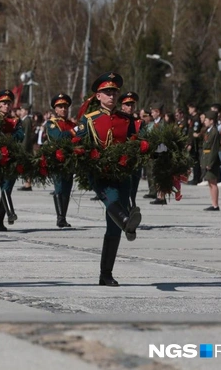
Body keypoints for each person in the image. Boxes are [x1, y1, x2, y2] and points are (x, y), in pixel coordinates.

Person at [76, 72, 141, 287]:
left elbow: (135, 142)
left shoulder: (127, 120)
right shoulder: (89, 119)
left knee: (112, 229)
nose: (111, 96)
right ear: (98, 96)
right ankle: (127, 223)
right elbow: (77, 142)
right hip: (100, 173)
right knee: (111, 201)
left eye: (114, 92)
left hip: (123, 174)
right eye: (107, 92)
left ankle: (106, 274)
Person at [45, 93, 77, 228]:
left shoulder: (72, 124)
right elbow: (58, 137)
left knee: (67, 189)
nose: (63, 109)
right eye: (60, 107)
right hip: (57, 160)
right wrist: (72, 133)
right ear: (55, 110)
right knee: (59, 188)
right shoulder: (52, 124)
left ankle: (63, 217)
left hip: (69, 160)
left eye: (65, 106)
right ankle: (60, 218)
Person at [0, 90, 24, 231]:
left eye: (8, 103)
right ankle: (9, 213)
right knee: (5, 188)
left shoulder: (15, 121)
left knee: (7, 188)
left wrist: (7, 137)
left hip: (10, 158)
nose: (6, 106)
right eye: (3, 103)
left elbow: (20, 136)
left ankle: (1, 221)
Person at [118, 92, 144, 211]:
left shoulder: (139, 122)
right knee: (124, 185)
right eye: (127, 105)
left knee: (134, 184)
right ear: (122, 106)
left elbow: (144, 137)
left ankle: (132, 203)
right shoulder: (118, 120)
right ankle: (127, 207)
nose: (130, 107)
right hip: (121, 157)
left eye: (132, 105)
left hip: (135, 157)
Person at [201, 111, 220, 211]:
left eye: (206, 120)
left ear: (212, 121)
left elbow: (214, 149)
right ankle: (213, 203)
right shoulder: (208, 131)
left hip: (211, 160)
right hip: (206, 157)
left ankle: (215, 205)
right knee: (210, 182)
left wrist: (210, 163)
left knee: (213, 182)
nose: (204, 121)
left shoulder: (214, 132)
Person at [186, 103, 203, 185]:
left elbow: (194, 133)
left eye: (190, 108)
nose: (189, 110)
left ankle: (196, 178)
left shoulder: (196, 119)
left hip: (194, 144)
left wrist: (190, 144)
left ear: (194, 108)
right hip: (191, 142)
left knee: (195, 161)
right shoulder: (192, 118)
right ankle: (196, 177)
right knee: (194, 161)